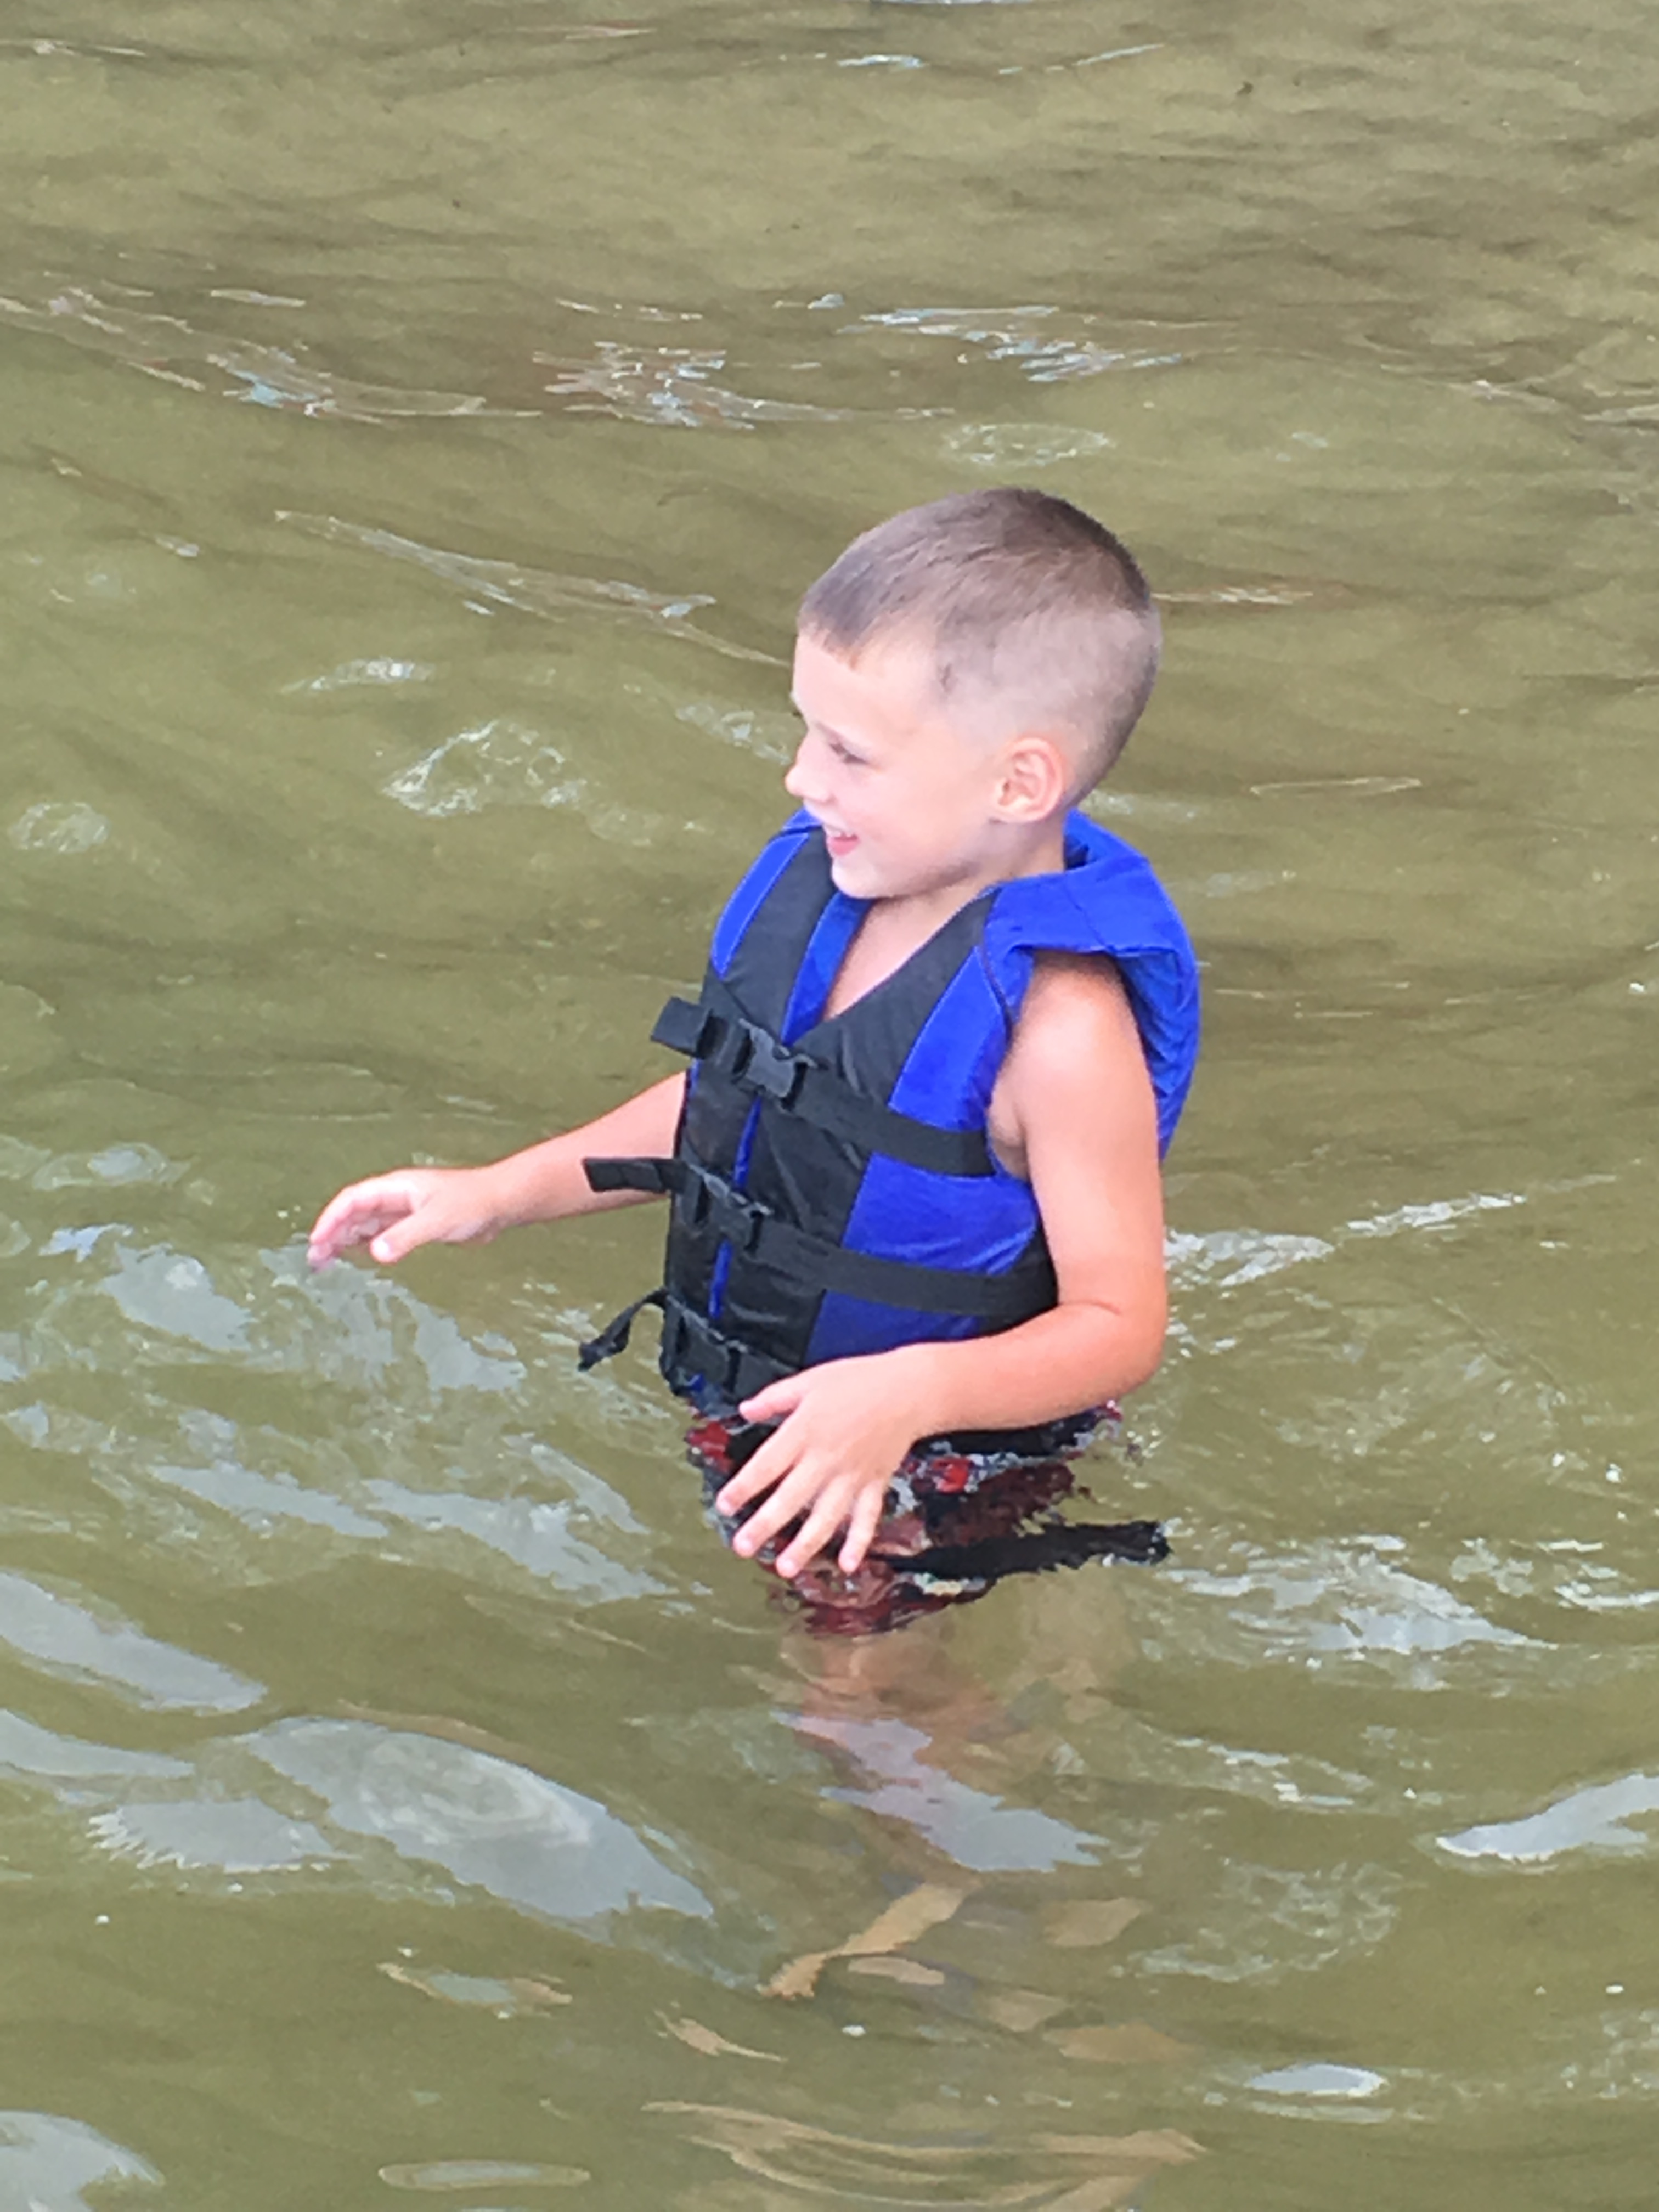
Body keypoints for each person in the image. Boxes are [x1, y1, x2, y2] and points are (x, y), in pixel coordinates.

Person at [308, 488, 1200, 1604]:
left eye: (850, 753)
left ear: (1019, 782)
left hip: (942, 1460)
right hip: (776, 1398)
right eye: (806, 729)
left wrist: (908, 1398)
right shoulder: (841, 883)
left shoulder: (1061, 1035)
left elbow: (1120, 1327)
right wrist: (502, 1192)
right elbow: (742, 1103)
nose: (801, 777)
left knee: (861, 1692)